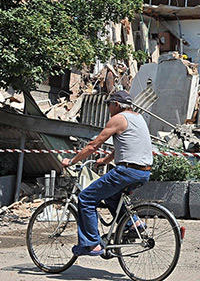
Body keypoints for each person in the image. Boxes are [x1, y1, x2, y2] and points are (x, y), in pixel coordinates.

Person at [61, 90, 153, 257]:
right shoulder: (138, 118)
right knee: (111, 196)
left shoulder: (118, 119)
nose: (107, 108)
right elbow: (127, 145)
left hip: (126, 171)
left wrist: (72, 161)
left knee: (86, 198)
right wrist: (106, 160)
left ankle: (92, 244)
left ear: (116, 104)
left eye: (108, 104)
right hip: (144, 172)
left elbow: (93, 145)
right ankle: (133, 224)